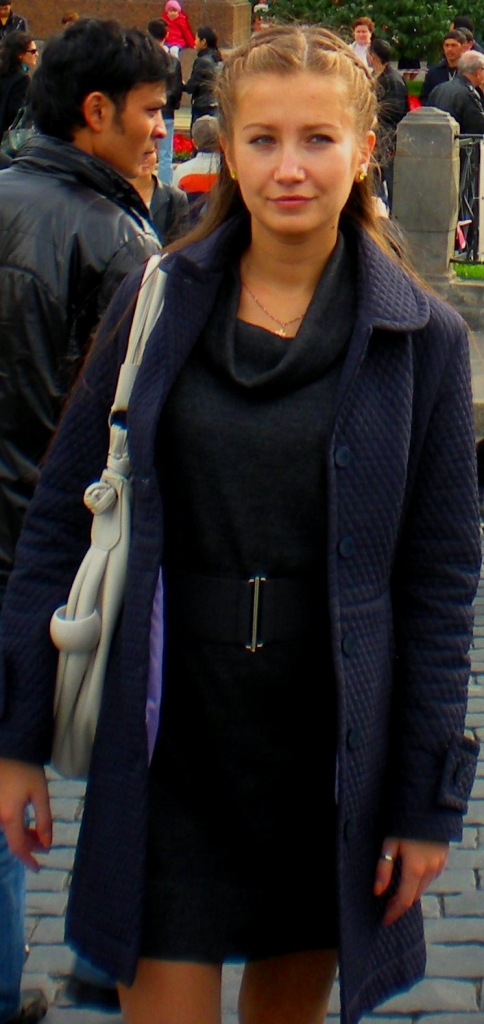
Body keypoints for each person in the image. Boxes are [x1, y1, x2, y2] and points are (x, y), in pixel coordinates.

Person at [0, 23, 480, 1024]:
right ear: (225, 149)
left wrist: (425, 802)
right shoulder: (157, 302)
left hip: (323, 755)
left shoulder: (421, 337)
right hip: (170, 743)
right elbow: (59, 519)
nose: (288, 168)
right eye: (262, 139)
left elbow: (439, 581)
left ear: (364, 150)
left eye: (317, 139)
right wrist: (15, 739)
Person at [0, 16, 169, 1023]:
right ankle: (107, 955)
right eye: (151, 112)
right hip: (64, 546)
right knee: (124, 744)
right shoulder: (119, 242)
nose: (161, 131)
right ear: (96, 112)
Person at [368, 38, 409, 212]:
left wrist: (374, 114)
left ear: (373, 56)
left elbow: (396, 111)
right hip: (377, 139)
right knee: (373, 181)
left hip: (389, 139)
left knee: (391, 182)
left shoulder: (392, 80)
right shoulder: (374, 76)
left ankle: (390, 216)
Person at [147, 19, 183, 185]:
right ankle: (165, 189)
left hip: (146, 113)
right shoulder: (173, 61)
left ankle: (144, 186)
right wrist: (172, 106)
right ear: (166, 35)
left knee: (142, 151)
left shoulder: (143, 60)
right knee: (166, 155)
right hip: (167, 113)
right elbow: (176, 89)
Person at [132, 148, 189, 243]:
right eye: (137, 153)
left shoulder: (175, 198)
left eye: (149, 153)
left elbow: (180, 243)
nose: (145, 159)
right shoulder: (113, 197)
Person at [172, 112, 220, 223]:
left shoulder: (182, 171)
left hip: (191, 227)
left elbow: (174, 205)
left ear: (194, 143)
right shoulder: (229, 172)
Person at [428, 50, 484, 134]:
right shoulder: (468, 94)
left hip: (435, 138)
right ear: (478, 72)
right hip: (456, 140)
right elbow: (478, 129)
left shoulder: (438, 88)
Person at [0, 29, 37, 136]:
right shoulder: (22, 80)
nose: (37, 54)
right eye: (33, 51)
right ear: (20, 54)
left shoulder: (4, 74)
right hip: (7, 138)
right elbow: (17, 114)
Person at [184, 25, 223, 126]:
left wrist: (183, 86)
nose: (194, 42)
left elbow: (192, 86)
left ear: (203, 41)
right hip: (215, 104)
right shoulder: (218, 59)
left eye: (196, 39)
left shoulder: (202, 61)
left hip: (202, 107)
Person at [420, 30, 466, 104]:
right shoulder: (433, 73)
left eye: (453, 45)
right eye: (446, 45)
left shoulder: (469, 71)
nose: (449, 49)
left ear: (463, 47)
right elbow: (424, 98)